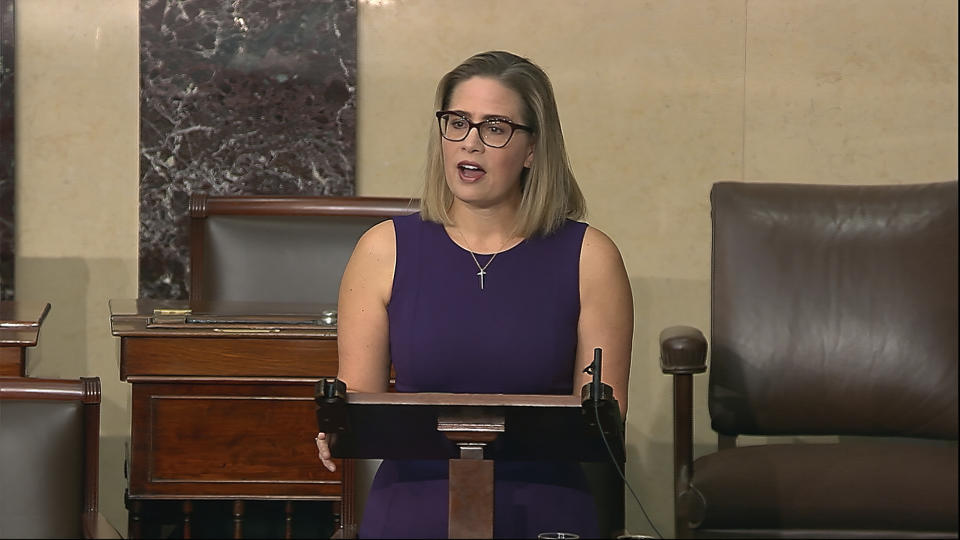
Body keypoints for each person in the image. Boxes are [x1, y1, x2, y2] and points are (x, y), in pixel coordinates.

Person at [316, 50, 633, 538]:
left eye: (495, 128)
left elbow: (603, 425)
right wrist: (335, 427)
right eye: (458, 122)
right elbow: (359, 406)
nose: (471, 142)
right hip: (413, 505)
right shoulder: (382, 249)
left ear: (532, 150)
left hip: (544, 508)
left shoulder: (591, 257)